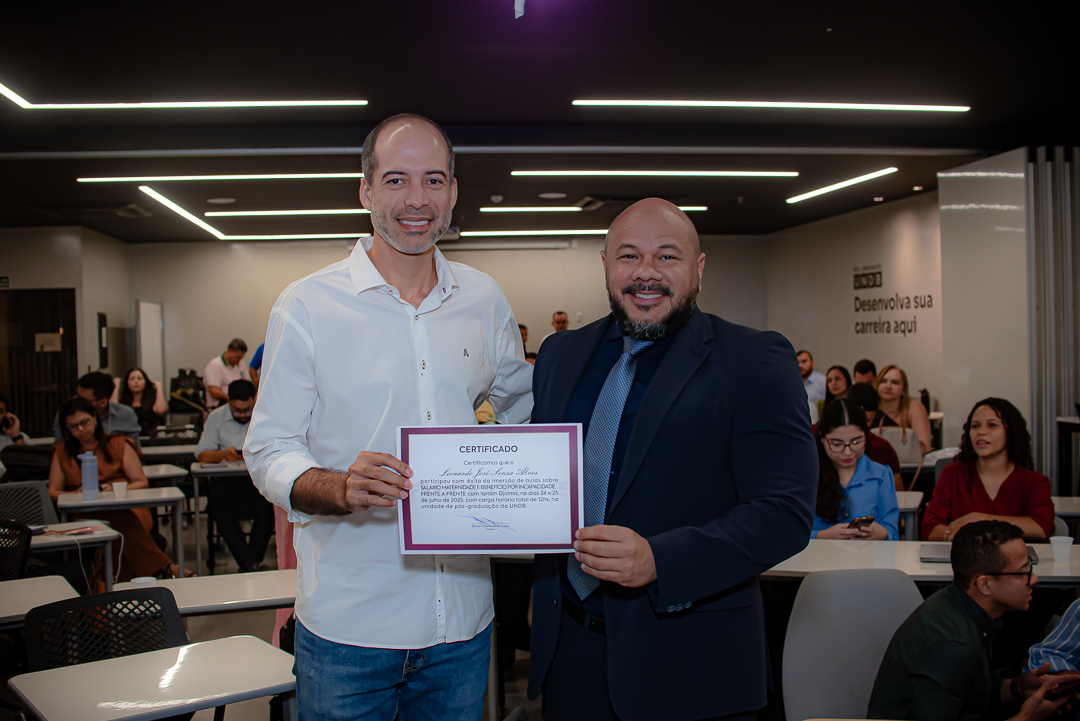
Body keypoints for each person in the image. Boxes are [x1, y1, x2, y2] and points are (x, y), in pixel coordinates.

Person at [244, 113, 533, 720]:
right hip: (349, 627)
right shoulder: (307, 304)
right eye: (396, 180)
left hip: (462, 623)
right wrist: (337, 486)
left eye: (434, 180)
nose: (417, 199)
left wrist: (501, 470)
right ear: (366, 191)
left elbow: (522, 408)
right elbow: (269, 448)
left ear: (453, 192)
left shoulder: (483, 298)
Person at [527, 198, 817, 721]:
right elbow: (540, 479)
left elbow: (785, 513)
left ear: (698, 269)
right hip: (571, 656)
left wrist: (660, 561)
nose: (646, 273)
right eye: (629, 256)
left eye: (667, 256)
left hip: (692, 664)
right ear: (606, 265)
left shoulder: (755, 359)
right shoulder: (559, 355)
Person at [868, 520, 1078, 721]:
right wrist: (1027, 717)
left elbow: (971, 694)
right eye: (1024, 571)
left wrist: (1018, 687)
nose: (1034, 579)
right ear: (985, 584)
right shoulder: (952, 646)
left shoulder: (958, 603)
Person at [48, 396, 188, 581]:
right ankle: (165, 567)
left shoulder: (118, 443)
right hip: (85, 513)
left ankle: (118, 587)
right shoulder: (62, 451)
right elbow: (53, 491)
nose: (81, 429)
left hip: (129, 507)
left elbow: (140, 481)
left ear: (95, 418)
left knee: (115, 519)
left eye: (84, 422)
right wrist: (75, 494)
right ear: (66, 429)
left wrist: (115, 489)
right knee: (112, 524)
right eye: (73, 426)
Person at [922, 398, 1054, 542]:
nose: (981, 431)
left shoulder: (1034, 481)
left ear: (1010, 432)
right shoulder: (952, 474)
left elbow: (1041, 528)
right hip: (965, 556)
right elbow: (929, 528)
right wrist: (951, 534)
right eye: (975, 426)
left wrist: (979, 521)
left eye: (992, 425)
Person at [195, 379, 272, 573]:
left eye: (247, 410)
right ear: (228, 401)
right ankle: (251, 563)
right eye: (237, 410)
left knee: (269, 507)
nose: (243, 415)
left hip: (255, 480)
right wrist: (223, 454)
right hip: (225, 480)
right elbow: (202, 454)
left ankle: (249, 564)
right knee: (218, 506)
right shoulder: (216, 417)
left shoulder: (264, 415)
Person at [811, 398, 899, 540]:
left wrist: (881, 533)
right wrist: (822, 535)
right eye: (837, 444)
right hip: (819, 554)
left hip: (867, 553)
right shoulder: (808, 477)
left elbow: (892, 532)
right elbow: (791, 532)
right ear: (822, 438)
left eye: (856, 442)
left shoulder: (881, 475)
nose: (848, 452)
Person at [52, 371, 141, 447]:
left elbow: (135, 451)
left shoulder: (126, 415)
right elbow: (59, 448)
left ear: (102, 403)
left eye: (84, 400)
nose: (78, 402)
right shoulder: (67, 414)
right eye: (77, 396)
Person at [845, 382, 902, 480]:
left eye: (868, 421)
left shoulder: (882, 448)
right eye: (857, 419)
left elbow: (896, 488)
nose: (862, 425)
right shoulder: (821, 439)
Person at [874, 364, 932, 453]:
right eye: (883, 381)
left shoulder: (915, 408)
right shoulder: (869, 408)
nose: (888, 386)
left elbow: (925, 447)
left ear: (904, 389)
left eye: (895, 382)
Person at [112, 367, 167, 435]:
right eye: (132, 379)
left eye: (139, 379)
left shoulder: (152, 401)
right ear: (127, 382)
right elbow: (112, 410)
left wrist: (159, 387)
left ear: (145, 381)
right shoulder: (124, 403)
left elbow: (160, 410)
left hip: (151, 438)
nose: (136, 381)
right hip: (130, 438)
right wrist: (115, 387)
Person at [204, 338, 248, 411]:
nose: (239, 360)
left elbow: (247, 384)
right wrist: (231, 398)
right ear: (230, 350)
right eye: (238, 357)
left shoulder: (241, 364)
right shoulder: (215, 365)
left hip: (238, 401)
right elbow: (214, 392)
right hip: (220, 404)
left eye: (241, 358)